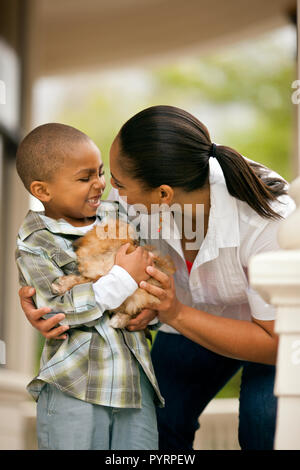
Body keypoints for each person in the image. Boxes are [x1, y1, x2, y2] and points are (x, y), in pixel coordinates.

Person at [19, 105, 295, 450]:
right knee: (160, 419)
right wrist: (49, 298)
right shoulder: (133, 199)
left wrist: (174, 312)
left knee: (263, 423)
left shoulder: (268, 222)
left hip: (272, 336)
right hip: (186, 322)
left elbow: (274, 343)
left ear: (163, 194)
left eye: (116, 182)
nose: (107, 190)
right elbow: (86, 250)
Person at [15, 122, 164, 450]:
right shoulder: (36, 242)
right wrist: (123, 278)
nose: (100, 184)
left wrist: (150, 309)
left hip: (134, 383)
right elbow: (59, 310)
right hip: (75, 385)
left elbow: (152, 275)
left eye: (100, 172)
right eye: (85, 178)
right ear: (42, 191)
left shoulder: (120, 218)